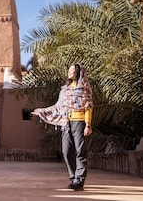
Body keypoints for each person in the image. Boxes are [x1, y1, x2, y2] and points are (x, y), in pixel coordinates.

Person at [32, 63, 93, 191]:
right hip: (66, 123)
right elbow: (58, 107)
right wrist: (41, 111)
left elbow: (88, 107)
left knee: (80, 152)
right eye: (69, 70)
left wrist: (88, 125)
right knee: (66, 151)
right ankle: (73, 177)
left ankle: (79, 180)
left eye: (72, 70)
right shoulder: (64, 89)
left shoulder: (84, 88)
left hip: (80, 122)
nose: (69, 72)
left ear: (78, 72)